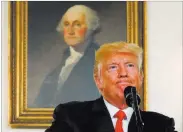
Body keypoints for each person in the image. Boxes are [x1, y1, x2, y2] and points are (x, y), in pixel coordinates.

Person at [45, 41, 177, 132]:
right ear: (98, 80)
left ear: (140, 77)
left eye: (130, 65)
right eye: (113, 67)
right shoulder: (71, 116)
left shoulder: (161, 125)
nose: (123, 73)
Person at [34, 5, 101, 108]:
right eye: (66, 24)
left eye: (77, 24)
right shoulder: (61, 65)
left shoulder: (102, 61)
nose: (70, 30)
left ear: (91, 28)